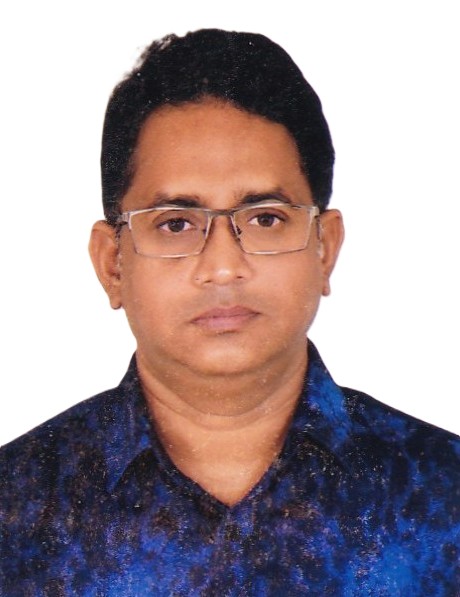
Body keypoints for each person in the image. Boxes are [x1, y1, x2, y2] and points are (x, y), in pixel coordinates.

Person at [0, 28, 458, 595]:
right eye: (176, 224)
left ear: (325, 248)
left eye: (265, 219)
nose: (223, 267)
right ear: (112, 262)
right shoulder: (16, 510)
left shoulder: (442, 498)